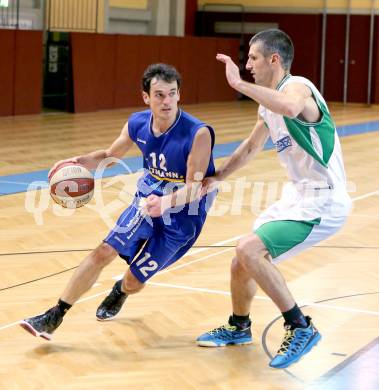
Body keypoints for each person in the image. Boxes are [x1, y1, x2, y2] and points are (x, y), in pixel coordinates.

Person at [20, 63, 216, 340]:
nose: (167, 101)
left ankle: (120, 291)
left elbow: (196, 187)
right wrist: (81, 161)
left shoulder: (198, 133)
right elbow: (111, 154)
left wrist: (167, 203)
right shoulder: (137, 123)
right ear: (146, 97)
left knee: (135, 280)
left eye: (172, 93)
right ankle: (54, 315)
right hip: (148, 197)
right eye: (159, 95)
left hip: (186, 213)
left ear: (179, 95)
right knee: (104, 251)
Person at [196, 29, 351, 369]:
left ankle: (300, 326)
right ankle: (239, 326)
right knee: (242, 261)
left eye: (252, 57)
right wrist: (218, 176)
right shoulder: (268, 106)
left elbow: (292, 106)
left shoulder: (298, 87)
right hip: (297, 196)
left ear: (274, 59)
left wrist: (238, 85)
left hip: (324, 201)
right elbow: (251, 147)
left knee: (249, 249)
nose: (247, 64)